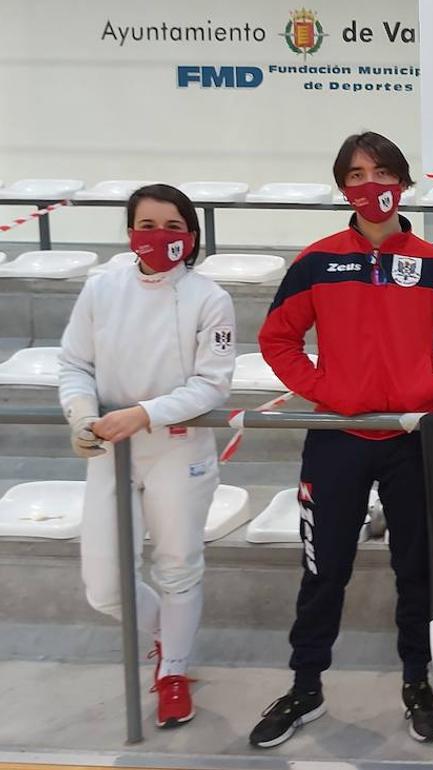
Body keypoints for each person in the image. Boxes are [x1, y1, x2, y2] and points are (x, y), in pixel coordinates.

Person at [250, 131, 433, 748]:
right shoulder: (316, 261)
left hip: (410, 438)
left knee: (415, 568)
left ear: (402, 182)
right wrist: (332, 394)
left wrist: (424, 394)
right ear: (342, 188)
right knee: (323, 569)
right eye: (355, 175)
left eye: (381, 172)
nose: (370, 185)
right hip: (336, 439)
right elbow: (277, 340)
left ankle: (417, 680)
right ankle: (305, 687)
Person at [58, 183, 236, 728]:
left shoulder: (210, 298)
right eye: (147, 226)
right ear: (130, 232)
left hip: (178, 450)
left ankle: (174, 672)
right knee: (105, 585)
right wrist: (80, 415)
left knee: (178, 567)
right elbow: (74, 364)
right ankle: (165, 636)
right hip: (110, 449)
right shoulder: (102, 289)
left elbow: (213, 385)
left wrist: (146, 413)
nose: (159, 238)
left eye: (173, 228)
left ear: (192, 236)